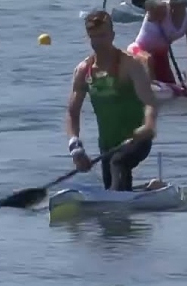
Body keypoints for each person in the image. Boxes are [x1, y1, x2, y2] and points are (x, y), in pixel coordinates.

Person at [66, 10, 160, 192]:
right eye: (94, 37)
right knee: (113, 187)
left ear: (112, 35)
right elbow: (72, 112)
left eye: (103, 36)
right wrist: (75, 147)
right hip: (107, 145)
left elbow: (150, 102)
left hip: (136, 139)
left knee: (119, 163)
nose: (99, 42)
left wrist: (148, 125)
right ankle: (150, 189)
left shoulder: (130, 65)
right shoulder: (84, 71)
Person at [126, 0, 187, 95]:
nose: (173, 10)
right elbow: (149, 4)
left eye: (178, 6)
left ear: (186, 4)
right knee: (148, 59)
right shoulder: (161, 9)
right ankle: (148, 89)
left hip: (160, 56)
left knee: (178, 93)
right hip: (137, 51)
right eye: (172, 5)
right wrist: (155, 7)